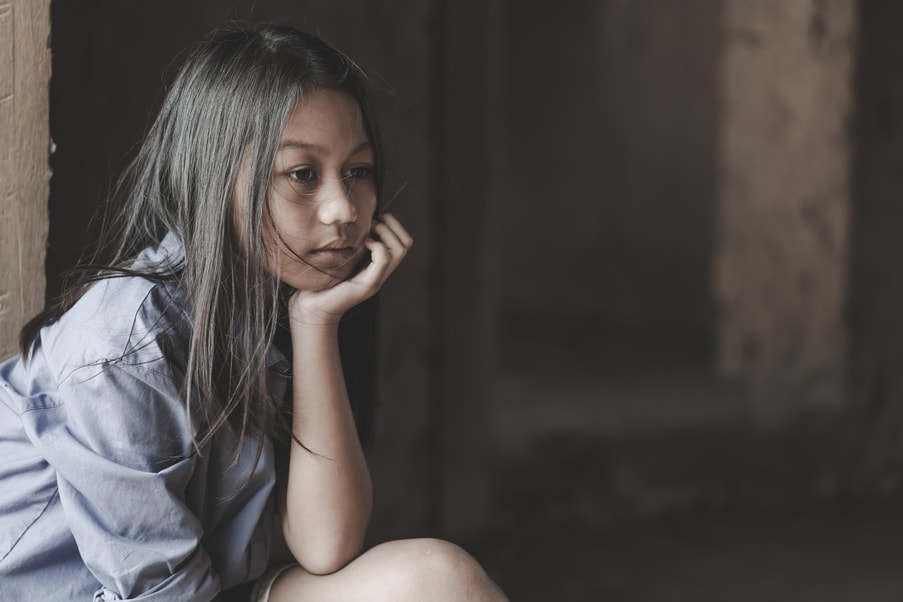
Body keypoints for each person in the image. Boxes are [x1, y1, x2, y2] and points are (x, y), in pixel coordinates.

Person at [0, 24, 508, 601]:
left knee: (438, 582)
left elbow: (327, 544)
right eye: (302, 175)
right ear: (216, 178)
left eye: (358, 171)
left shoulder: (270, 303)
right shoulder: (122, 347)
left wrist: (316, 325)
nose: (344, 209)